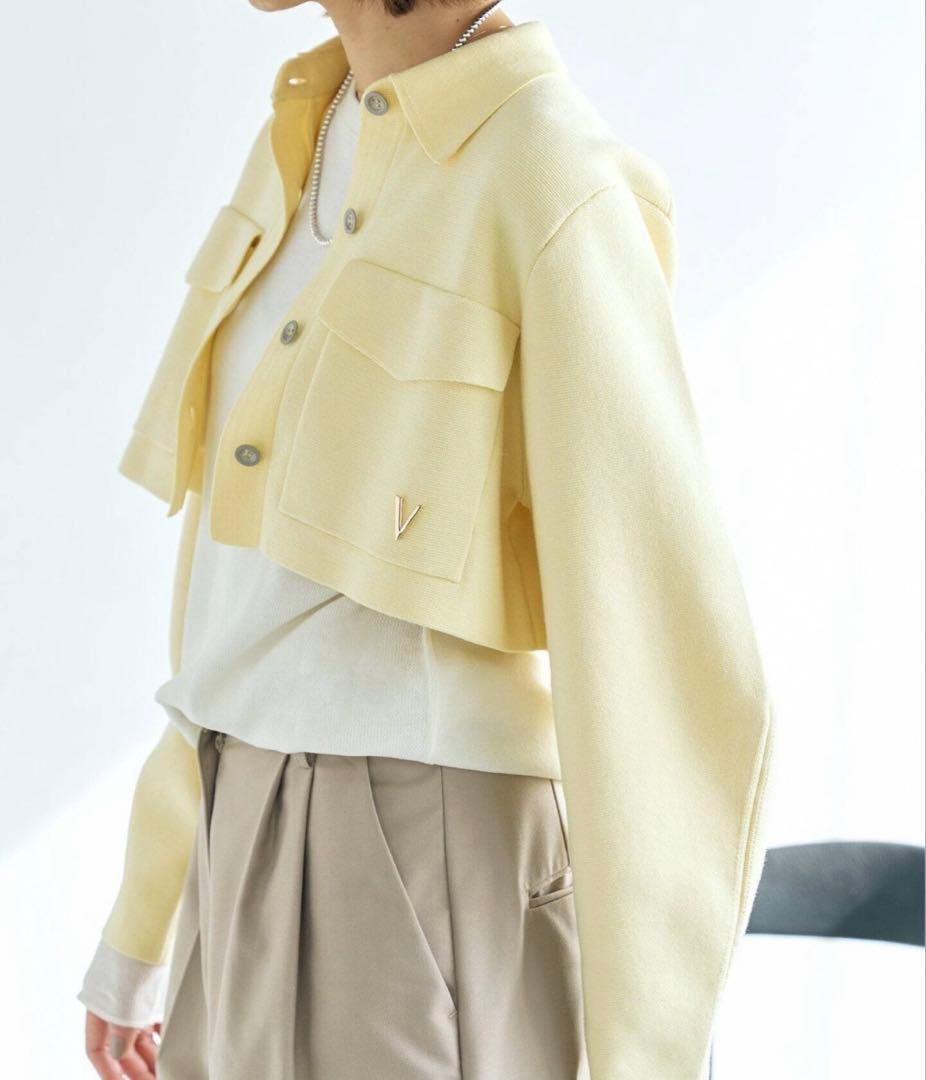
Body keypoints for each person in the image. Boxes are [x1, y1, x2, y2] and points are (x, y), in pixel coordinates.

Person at [76, 1, 777, 1077]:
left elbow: (662, 651)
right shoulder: (306, 134)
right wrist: (148, 911)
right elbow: (235, 593)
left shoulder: (552, 176)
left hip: (416, 857)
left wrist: (649, 1055)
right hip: (236, 828)